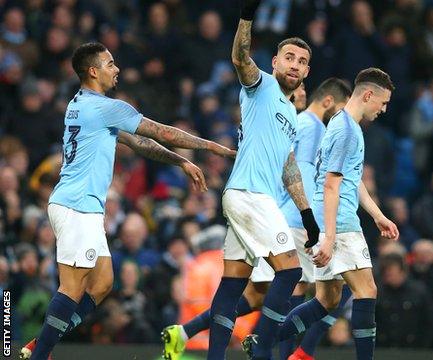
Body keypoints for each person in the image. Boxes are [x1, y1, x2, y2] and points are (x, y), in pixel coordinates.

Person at [19, 41, 234, 360]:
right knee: (72, 288)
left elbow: (139, 143)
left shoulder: (80, 105)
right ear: (93, 71)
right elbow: (162, 132)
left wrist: (181, 162)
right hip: (77, 206)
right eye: (109, 64)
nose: (116, 68)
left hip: (80, 206)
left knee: (103, 283)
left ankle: (42, 343)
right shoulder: (106, 108)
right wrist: (210, 147)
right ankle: (41, 354)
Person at [161, 78, 352, 360]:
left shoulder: (289, 123)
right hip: (283, 216)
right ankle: (285, 353)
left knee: (256, 296)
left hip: (271, 211)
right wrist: (313, 218)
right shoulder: (309, 126)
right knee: (327, 283)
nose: (301, 91)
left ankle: (185, 332)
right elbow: (301, 174)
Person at [197, 1, 321, 359]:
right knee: (291, 271)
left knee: (233, 283)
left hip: (247, 198)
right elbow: (239, 58)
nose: (294, 65)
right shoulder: (261, 86)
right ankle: (263, 347)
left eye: (301, 61)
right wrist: (246, 17)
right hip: (251, 195)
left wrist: (308, 215)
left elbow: (289, 167)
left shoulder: (289, 113)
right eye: (289, 58)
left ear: (306, 71)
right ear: (276, 63)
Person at [277, 67, 400, 360]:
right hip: (340, 222)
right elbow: (332, 185)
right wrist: (330, 238)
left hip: (327, 217)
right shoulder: (347, 131)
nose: (383, 110)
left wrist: (377, 214)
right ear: (368, 95)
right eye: (382, 103)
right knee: (367, 290)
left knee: (327, 299)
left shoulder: (340, 124)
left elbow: (351, 178)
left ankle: (263, 340)